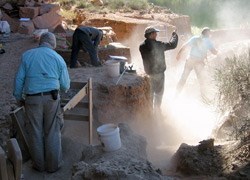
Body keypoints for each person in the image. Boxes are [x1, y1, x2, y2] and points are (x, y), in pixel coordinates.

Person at [13, 32, 70, 172]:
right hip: (52, 98)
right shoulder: (58, 58)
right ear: (53, 43)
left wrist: (19, 97)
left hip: (32, 99)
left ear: (40, 42)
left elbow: (19, 79)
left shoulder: (27, 55)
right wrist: (62, 89)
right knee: (52, 131)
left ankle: (39, 165)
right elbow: (65, 85)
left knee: (35, 132)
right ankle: (53, 166)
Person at [139, 26, 178, 111]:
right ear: (151, 34)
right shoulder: (158, 45)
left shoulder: (142, 46)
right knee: (159, 93)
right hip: (159, 74)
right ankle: (157, 111)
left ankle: (150, 112)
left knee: (150, 94)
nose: (156, 34)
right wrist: (174, 35)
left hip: (149, 74)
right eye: (155, 33)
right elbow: (173, 45)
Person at [175, 27, 218, 97]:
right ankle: (204, 97)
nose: (210, 34)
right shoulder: (208, 41)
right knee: (202, 80)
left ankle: (176, 95)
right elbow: (214, 52)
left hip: (190, 60)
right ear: (207, 33)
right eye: (209, 33)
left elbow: (185, 46)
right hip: (199, 62)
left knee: (183, 78)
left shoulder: (195, 38)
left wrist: (178, 54)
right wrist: (218, 52)